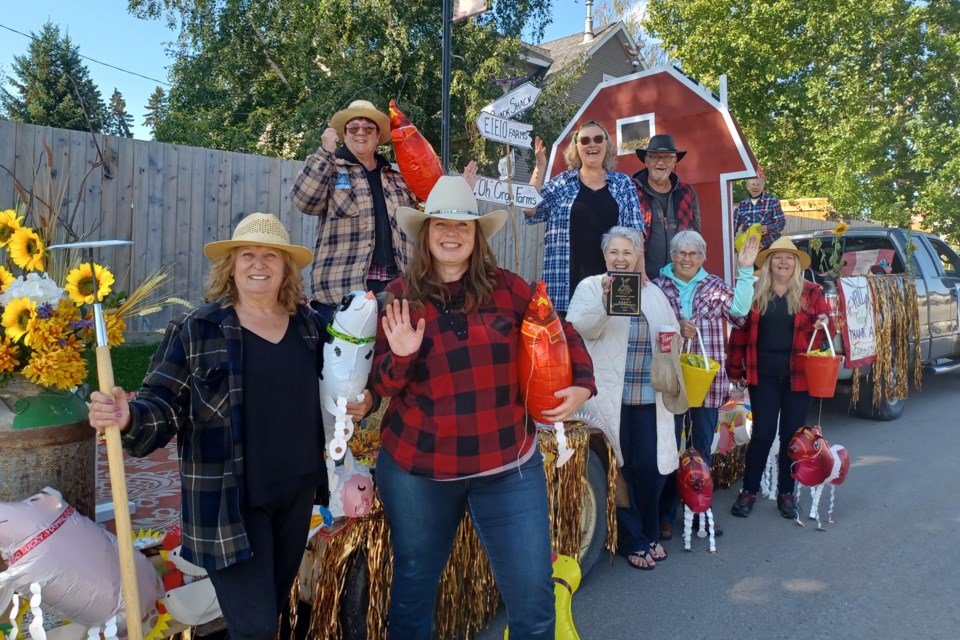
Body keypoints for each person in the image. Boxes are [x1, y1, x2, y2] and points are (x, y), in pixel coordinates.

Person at [87, 213, 364, 640]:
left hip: (295, 495)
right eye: (247, 255)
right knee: (255, 628)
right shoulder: (197, 329)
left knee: (264, 614)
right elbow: (162, 401)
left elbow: (338, 384)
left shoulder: (309, 328)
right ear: (230, 266)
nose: (259, 264)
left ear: (285, 268)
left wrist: (359, 402)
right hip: (229, 503)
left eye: (271, 255)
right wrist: (129, 416)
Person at [370, 176, 596, 639]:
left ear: (476, 237)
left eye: (463, 226)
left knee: (533, 595)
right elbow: (381, 384)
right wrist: (403, 355)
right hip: (420, 470)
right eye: (440, 225)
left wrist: (583, 385)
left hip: (506, 466)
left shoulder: (511, 290)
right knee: (413, 587)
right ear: (426, 233)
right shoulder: (397, 297)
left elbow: (563, 334)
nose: (451, 234)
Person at [566, 226, 681, 571]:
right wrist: (604, 302)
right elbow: (580, 329)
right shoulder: (590, 286)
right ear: (605, 256)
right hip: (608, 397)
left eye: (627, 253)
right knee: (620, 468)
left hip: (648, 396)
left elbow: (669, 330)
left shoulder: (653, 292)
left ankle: (648, 532)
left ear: (639, 256)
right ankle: (632, 539)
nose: (620, 258)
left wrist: (679, 334)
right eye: (614, 252)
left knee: (650, 468)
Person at [653, 230, 760, 539]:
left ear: (702, 257)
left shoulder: (714, 286)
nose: (687, 259)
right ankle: (665, 513)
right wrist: (676, 326)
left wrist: (745, 270)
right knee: (669, 447)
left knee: (701, 447)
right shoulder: (658, 286)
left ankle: (698, 509)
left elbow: (739, 312)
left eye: (693, 254)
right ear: (671, 256)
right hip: (671, 379)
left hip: (706, 379)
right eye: (681, 253)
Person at [725, 237, 833, 520]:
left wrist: (825, 322)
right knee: (762, 434)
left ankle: (787, 492)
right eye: (777, 257)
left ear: (796, 263)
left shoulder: (811, 291)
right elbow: (738, 334)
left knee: (792, 436)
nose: (783, 262)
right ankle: (749, 491)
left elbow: (829, 323)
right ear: (769, 262)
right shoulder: (755, 292)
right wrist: (734, 372)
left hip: (800, 376)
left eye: (789, 257)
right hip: (764, 375)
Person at [524, 120, 644, 314]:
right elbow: (529, 209)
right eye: (585, 140)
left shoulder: (623, 184)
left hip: (613, 286)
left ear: (607, 145)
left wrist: (640, 274)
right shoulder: (562, 184)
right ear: (576, 148)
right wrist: (540, 166)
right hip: (565, 288)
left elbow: (636, 232)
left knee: (609, 341)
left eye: (598, 139)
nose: (592, 144)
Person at [632, 134, 701, 278]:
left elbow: (696, 234)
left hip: (679, 278)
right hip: (643, 277)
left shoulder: (687, 192)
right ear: (646, 161)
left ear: (674, 161)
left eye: (667, 157)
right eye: (655, 157)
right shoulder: (631, 191)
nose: (660, 163)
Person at [733, 171, 785, 249]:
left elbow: (781, 222)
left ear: (763, 186)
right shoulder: (741, 205)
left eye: (758, 184)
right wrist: (730, 242)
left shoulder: (772, 200)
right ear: (747, 187)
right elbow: (733, 227)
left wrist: (768, 229)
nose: (756, 187)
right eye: (753, 184)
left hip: (770, 245)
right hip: (749, 247)